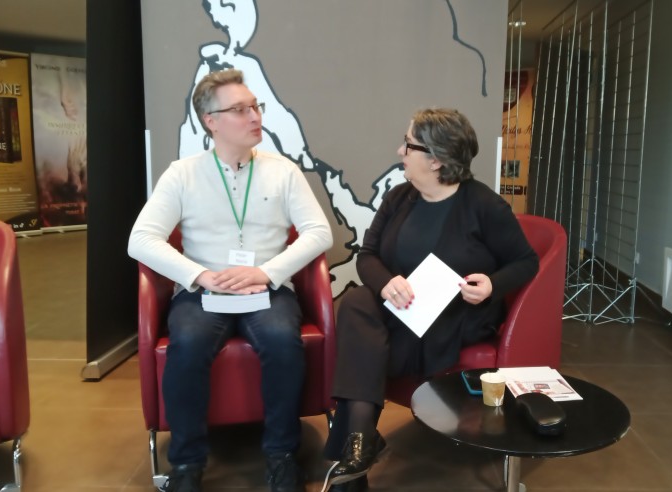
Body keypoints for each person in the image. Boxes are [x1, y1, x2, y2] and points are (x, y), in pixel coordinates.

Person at [128, 69, 332, 492]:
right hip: (203, 291)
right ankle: (186, 464)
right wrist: (201, 275)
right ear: (211, 121)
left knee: (282, 342)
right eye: (240, 110)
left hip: (267, 289)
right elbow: (140, 239)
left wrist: (266, 272)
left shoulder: (283, 171)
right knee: (187, 344)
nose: (255, 116)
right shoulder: (182, 174)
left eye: (256, 106)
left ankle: (281, 456)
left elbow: (319, 232)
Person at [321, 109, 539, 491]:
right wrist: (386, 283)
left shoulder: (485, 206)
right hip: (402, 309)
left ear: (436, 159)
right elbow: (367, 256)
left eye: (408, 145)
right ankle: (360, 446)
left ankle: (355, 455)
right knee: (357, 302)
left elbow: (525, 262)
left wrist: (491, 285)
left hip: (454, 317)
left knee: (364, 344)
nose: (399, 151)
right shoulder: (399, 197)